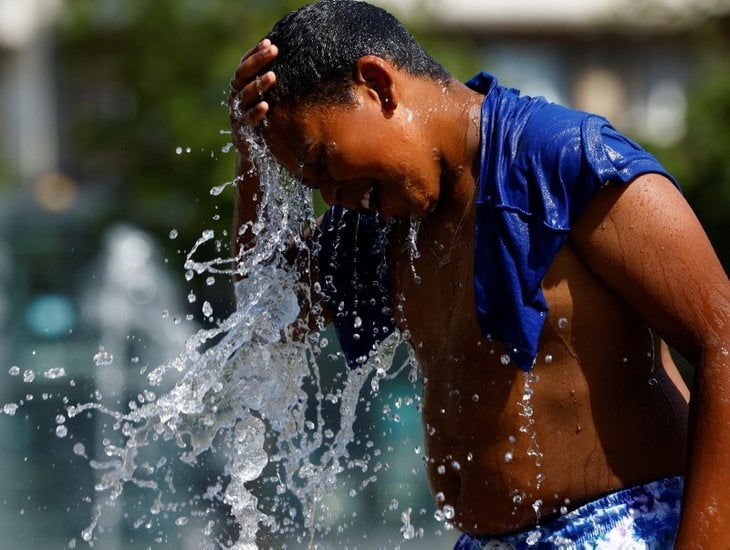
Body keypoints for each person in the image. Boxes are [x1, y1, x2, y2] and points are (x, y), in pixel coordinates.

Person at [228, 1, 730, 547]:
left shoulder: (565, 162)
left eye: (324, 161)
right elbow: (269, 315)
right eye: (312, 183)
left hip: (625, 526)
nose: (331, 195)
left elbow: (723, 341)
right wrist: (250, 159)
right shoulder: (381, 219)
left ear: (377, 85)